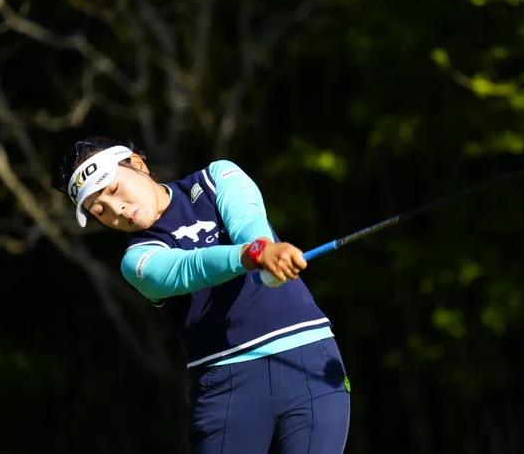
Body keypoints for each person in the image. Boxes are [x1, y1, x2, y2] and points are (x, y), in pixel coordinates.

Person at [51, 137, 351, 454]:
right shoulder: (136, 260)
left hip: (308, 360)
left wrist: (263, 248)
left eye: (113, 190)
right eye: (99, 211)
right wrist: (254, 254)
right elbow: (191, 268)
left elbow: (248, 222)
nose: (118, 210)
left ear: (138, 164)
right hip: (228, 386)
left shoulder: (217, 177)